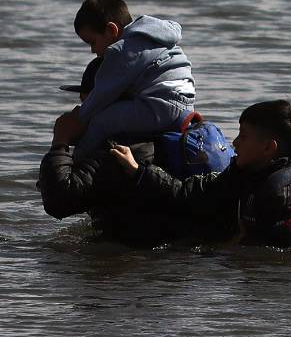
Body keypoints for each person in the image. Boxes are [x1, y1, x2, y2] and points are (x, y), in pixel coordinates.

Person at [38, 58, 219, 244]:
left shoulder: (117, 152)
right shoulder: (172, 130)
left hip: (139, 258)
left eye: (86, 102)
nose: (80, 110)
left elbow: (59, 201)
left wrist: (61, 140)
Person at [111, 100, 291, 249]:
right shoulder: (242, 175)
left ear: (268, 148)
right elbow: (189, 194)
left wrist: (234, 247)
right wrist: (139, 171)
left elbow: (288, 262)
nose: (235, 143)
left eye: (244, 136)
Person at [54, 0, 196, 159]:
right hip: (186, 104)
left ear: (111, 30)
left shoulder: (122, 50)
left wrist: (78, 120)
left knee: (100, 122)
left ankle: (79, 160)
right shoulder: (154, 37)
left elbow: (102, 94)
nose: (93, 50)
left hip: (159, 105)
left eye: (92, 42)